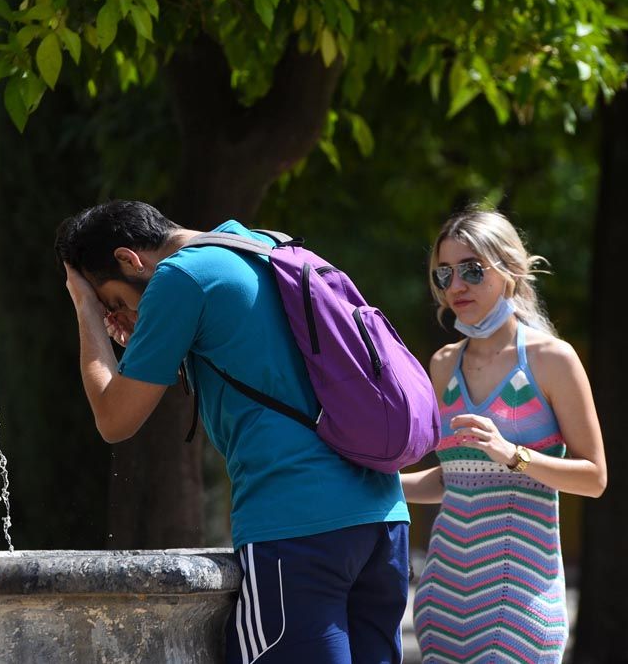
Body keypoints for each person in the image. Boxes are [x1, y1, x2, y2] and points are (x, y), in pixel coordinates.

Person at [56, 200, 410, 663]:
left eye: (116, 301)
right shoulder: (259, 245)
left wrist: (84, 306)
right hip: (383, 519)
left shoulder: (179, 278)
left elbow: (114, 419)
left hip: (298, 527)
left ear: (128, 259)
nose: (119, 312)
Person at [402, 209, 607, 662]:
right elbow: (451, 479)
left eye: (473, 270)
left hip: (521, 609)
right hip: (442, 603)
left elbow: (594, 478)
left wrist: (513, 454)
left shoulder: (553, 359)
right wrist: (375, 482)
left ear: (510, 271)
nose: (457, 285)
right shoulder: (442, 364)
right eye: (445, 273)